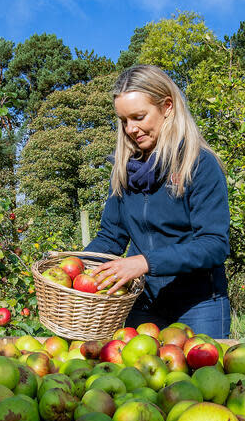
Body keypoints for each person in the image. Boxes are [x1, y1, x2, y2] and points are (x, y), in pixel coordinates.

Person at [84, 64, 231, 338]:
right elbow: (110, 237)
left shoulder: (198, 164)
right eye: (124, 120)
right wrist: (77, 266)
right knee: (136, 379)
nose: (131, 129)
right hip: (143, 304)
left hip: (198, 306)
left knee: (200, 379)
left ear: (167, 107)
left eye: (139, 117)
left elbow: (214, 244)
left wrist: (145, 262)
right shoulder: (125, 170)